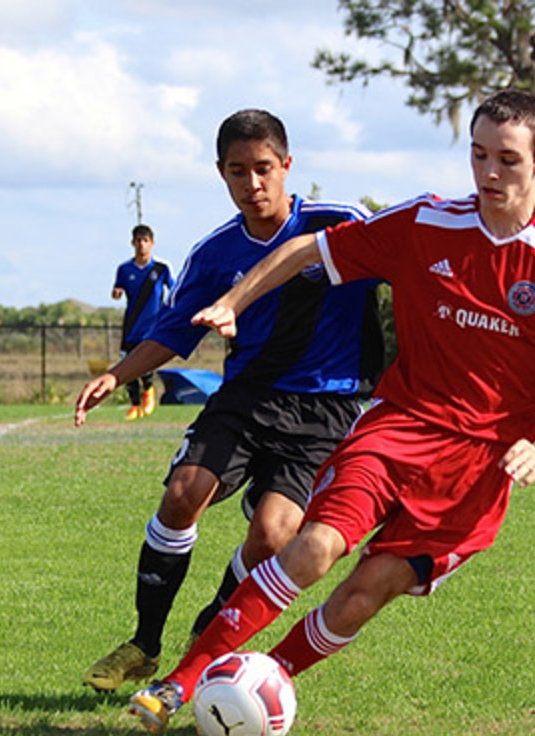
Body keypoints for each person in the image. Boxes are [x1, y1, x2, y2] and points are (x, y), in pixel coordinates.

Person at [125, 89, 535, 735]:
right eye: (478, 155)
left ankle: (253, 690)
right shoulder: (427, 222)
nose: (490, 173)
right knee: (314, 547)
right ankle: (182, 681)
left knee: (365, 595)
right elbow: (308, 250)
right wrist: (236, 301)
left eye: (507, 160)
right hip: (399, 425)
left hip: (481, 464)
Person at [74, 109, 384, 694]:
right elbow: (174, 332)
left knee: (272, 536)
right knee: (183, 493)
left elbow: (407, 265)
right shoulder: (216, 252)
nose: (253, 184)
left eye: (264, 168)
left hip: (327, 410)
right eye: (238, 172)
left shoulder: (339, 224)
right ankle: (143, 643)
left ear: (287, 165)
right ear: (221, 173)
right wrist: (117, 376)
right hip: (247, 397)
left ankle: (206, 633)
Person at [112, 225, 173, 420]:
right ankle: (134, 405)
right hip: (131, 325)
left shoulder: (160, 269)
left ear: (152, 244)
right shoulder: (124, 269)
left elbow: (175, 289)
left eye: (145, 241)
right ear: (132, 243)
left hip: (153, 325)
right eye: (138, 241)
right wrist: (116, 293)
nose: (141, 245)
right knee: (126, 362)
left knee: (146, 362)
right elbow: (117, 290)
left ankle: (148, 390)